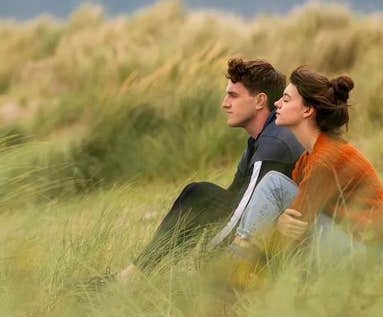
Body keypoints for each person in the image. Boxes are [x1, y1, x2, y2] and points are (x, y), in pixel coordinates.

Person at [116, 57, 305, 280]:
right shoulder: (260, 139)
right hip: (269, 240)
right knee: (200, 196)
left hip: (292, 250)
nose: (224, 103)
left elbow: (245, 215)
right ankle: (144, 274)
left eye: (233, 96)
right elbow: (233, 198)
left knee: (200, 195)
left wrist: (208, 255)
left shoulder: (275, 142)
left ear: (259, 101)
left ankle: (136, 276)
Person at [224, 65, 383, 274]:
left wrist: (278, 224)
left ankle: (237, 262)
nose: (277, 103)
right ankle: (241, 260)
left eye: (286, 99)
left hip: (370, 257)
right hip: (347, 244)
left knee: (274, 184)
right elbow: (293, 221)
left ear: (307, 110)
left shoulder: (326, 158)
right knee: (276, 188)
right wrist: (280, 222)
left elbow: (296, 221)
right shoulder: (308, 158)